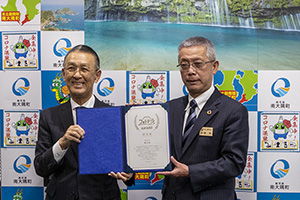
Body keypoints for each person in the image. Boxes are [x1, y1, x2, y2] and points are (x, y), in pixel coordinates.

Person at [34, 45, 134, 200]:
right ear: (63, 74)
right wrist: (62, 143)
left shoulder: (115, 115)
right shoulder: (49, 116)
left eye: (84, 69)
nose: (77, 75)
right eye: (71, 68)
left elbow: (128, 168)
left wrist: (129, 173)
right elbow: (40, 168)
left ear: (97, 75)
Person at [157, 36, 249, 200]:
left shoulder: (233, 111)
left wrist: (190, 172)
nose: (190, 71)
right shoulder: (169, 108)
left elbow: (234, 163)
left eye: (198, 64)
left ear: (214, 66)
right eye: (184, 65)